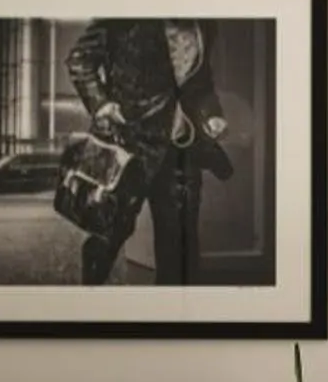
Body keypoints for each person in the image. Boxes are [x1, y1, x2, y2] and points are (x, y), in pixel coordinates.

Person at [58, 19, 234, 285]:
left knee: (179, 247)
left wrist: (212, 115)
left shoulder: (204, 25)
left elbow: (201, 84)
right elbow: (80, 60)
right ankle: (88, 305)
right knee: (109, 235)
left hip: (181, 150)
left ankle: (171, 315)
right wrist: (103, 105)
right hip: (128, 146)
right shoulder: (123, 17)